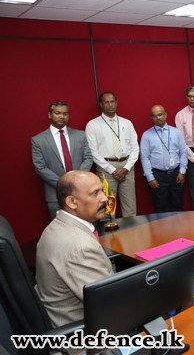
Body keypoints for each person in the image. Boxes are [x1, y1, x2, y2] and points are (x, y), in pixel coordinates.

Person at [34, 171, 113, 327]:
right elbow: (110, 301)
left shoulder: (57, 226)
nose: (104, 198)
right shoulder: (79, 247)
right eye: (95, 193)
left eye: (102, 191)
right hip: (85, 335)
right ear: (71, 202)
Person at [32, 102, 93, 219]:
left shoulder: (80, 135)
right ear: (50, 115)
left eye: (65, 114)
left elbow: (88, 158)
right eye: (57, 113)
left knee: (86, 228)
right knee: (61, 232)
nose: (62, 116)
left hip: (81, 191)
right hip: (56, 194)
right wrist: (63, 184)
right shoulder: (38, 140)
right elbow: (40, 168)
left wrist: (77, 181)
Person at [85, 92, 139, 217]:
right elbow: (93, 152)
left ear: (116, 102)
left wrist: (126, 168)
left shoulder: (127, 123)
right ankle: (109, 236)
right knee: (108, 208)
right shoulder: (92, 125)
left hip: (127, 167)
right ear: (101, 105)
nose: (110, 105)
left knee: (130, 207)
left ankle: (131, 234)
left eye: (112, 101)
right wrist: (113, 170)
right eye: (106, 102)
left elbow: (135, 148)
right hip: (106, 169)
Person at [140, 105, 187, 213]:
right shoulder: (146, 135)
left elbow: (183, 152)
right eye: (154, 116)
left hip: (177, 175)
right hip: (158, 177)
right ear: (151, 118)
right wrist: (150, 178)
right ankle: (162, 230)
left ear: (165, 115)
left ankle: (180, 230)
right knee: (160, 209)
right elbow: (144, 158)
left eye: (160, 114)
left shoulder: (176, 132)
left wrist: (182, 172)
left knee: (178, 207)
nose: (158, 118)